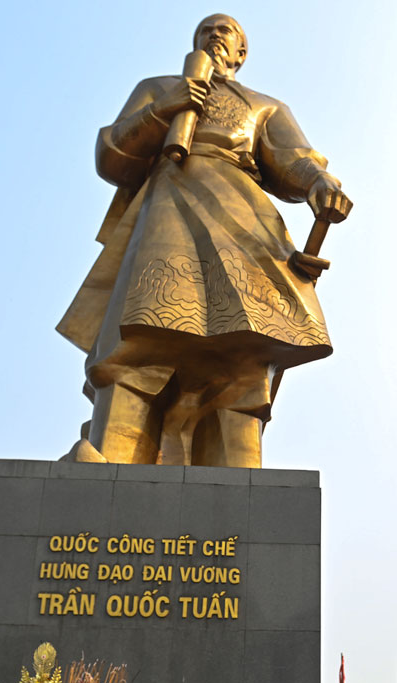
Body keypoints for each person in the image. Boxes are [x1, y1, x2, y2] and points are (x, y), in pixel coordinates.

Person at [56, 14, 352, 467]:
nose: (214, 35)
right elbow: (112, 154)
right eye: (205, 31)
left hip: (243, 218)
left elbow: (294, 161)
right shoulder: (159, 87)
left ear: (240, 52)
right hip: (168, 206)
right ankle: (114, 453)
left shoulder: (263, 106)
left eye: (224, 31)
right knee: (142, 336)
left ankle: (236, 468)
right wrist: (163, 110)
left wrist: (318, 183)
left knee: (244, 351)